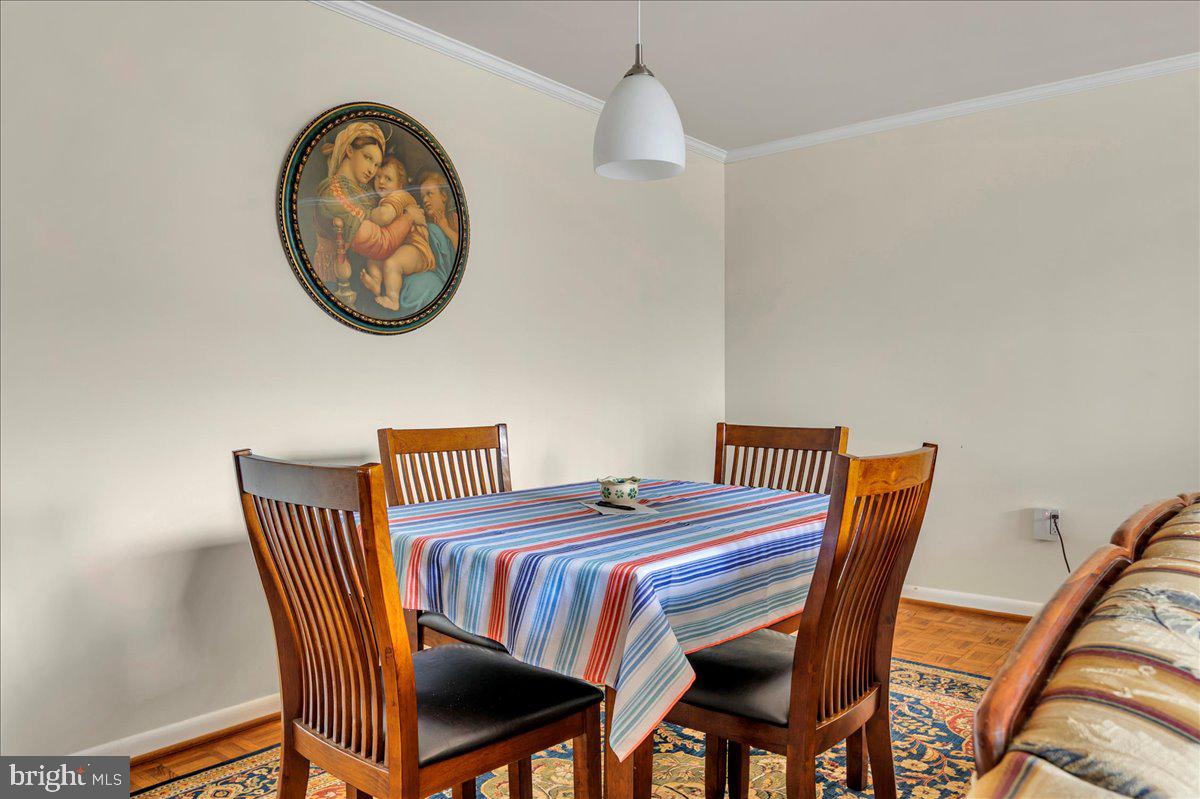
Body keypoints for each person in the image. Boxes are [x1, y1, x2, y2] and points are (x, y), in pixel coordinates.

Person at [360, 157, 436, 310]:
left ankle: (392, 299)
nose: (381, 182)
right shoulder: (386, 199)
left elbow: (384, 216)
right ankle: (376, 281)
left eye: (388, 178)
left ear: (400, 185)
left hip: (416, 249)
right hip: (397, 246)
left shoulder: (399, 196)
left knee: (391, 263)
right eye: (378, 177)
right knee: (374, 254)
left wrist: (363, 214)